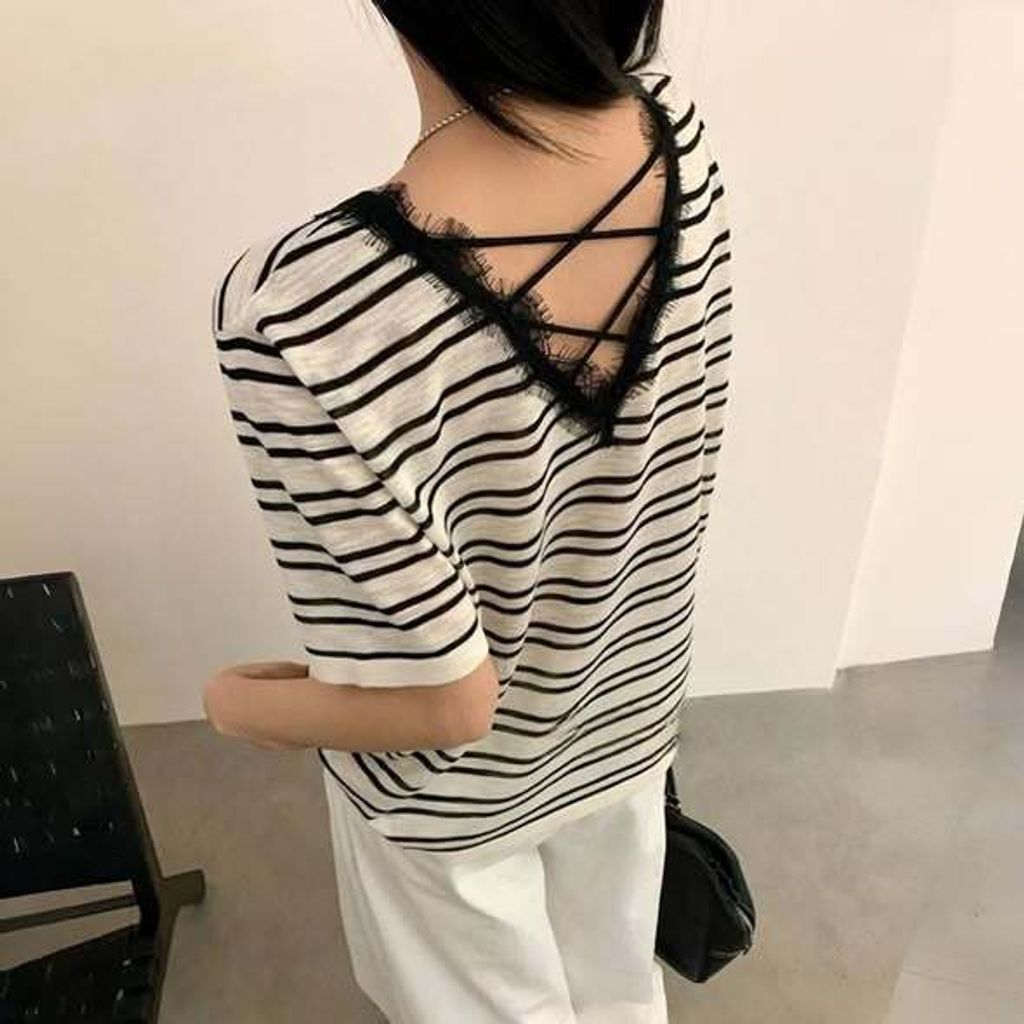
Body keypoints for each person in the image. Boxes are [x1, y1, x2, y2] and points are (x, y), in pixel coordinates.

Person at [206, 2, 733, 1020]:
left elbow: (444, 707)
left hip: (452, 808)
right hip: (625, 721)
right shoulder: (673, 136)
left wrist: (238, 705)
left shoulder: (302, 304)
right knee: (621, 991)